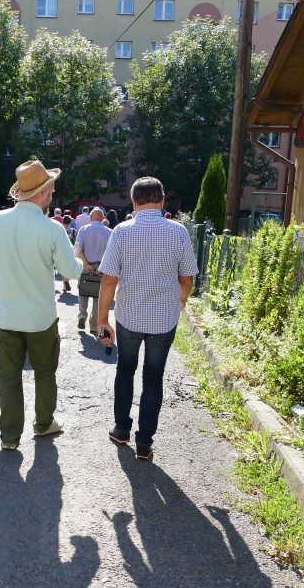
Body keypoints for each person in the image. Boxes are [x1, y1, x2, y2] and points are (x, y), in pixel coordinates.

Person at [0, 159, 85, 451]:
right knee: (45, 371)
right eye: (52, 191)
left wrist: (3, 262)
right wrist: (81, 261)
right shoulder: (53, 229)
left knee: (8, 377)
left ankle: (9, 437)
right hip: (41, 317)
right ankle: (44, 423)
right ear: (45, 193)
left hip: (6, 315)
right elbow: (70, 271)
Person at [97, 177, 198, 460]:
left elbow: (107, 281)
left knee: (125, 369)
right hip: (164, 318)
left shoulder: (121, 232)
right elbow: (187, 278)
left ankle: (121, 429)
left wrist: (102, 319)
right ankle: (144, 443)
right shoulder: (178, 232)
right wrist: (181, 299)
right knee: (154, 377)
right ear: (162, 200)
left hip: (129, 315)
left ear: (133, 201)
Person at [74, 207, 111, 336]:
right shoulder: (109, 232)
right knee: (98, 296)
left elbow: (78, 250)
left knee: (83, 291)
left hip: (85, 265)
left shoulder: (83, 230)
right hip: (102, 267)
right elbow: (111, 254)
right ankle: (94, 325)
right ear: (102, 218)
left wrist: (86, 264)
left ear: (91, 218)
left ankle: (82, 315)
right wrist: (101, 267)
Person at [60, 214, 77, 292]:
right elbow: (76, 241)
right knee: (68, 267)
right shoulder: (73, 231)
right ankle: (67, 280)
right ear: (70, 222)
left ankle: (64, 284)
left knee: (63, 267)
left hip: (61, 249)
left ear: (62, 221)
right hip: (70, 250)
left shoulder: (59, 230)